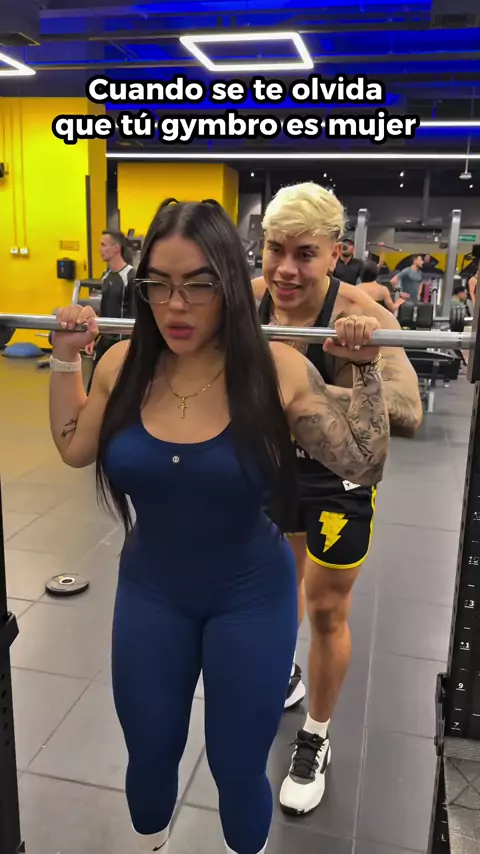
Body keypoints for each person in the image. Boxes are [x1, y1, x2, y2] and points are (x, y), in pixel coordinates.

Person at [48, 198, 389, 854]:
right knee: (150, 762)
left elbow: (362, 463)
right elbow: (73, 446)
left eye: (198, 285)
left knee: (237, 770)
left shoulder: (275, 368)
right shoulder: (122, 365)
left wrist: (366, 367)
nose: (176, 306)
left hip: (250, 596)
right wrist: (66, 357)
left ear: (230, 283)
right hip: (151, 591)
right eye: (159, 285)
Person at [253, 181, 422, 817]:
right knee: (278, 590)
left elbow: (408, 410)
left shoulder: (363, 313)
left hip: (338, 481)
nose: (286, 269)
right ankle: (286, 673)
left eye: (305, 253)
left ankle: (316, 737)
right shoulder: (248, 302)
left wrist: (345, 377)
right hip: (269, 475)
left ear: (335, 252)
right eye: (275, 249)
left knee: (326, 610)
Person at [86, 230, 135, 392]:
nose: (100, 249)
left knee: (119, 392)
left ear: (116, 248)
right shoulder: (106, 276)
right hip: (105, 341)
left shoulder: (130, 276)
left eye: (103, 245)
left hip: (123, 344)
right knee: (93, 388)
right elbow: (104, 309)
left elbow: (136, 315)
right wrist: (92, 337)